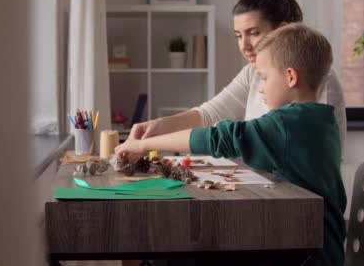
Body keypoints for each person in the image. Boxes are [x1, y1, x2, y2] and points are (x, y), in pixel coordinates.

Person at [116, 23, 347, 266]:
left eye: (265, 78)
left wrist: (142, 146)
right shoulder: (320, 119)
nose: (260, 88)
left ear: (290, 77)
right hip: (309, 244)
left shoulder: (287, 124)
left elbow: (220, 138)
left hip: (304, 253)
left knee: (174, 253)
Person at [130, 0, 347, 154]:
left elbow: (227, 137)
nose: (244, 45)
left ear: (281, 31)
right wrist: (158, 127)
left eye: (253, 32)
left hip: (297, 202)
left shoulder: (316, 81)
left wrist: (147, 145)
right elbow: (211, 115)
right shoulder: (251, 74)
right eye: (238, 36)